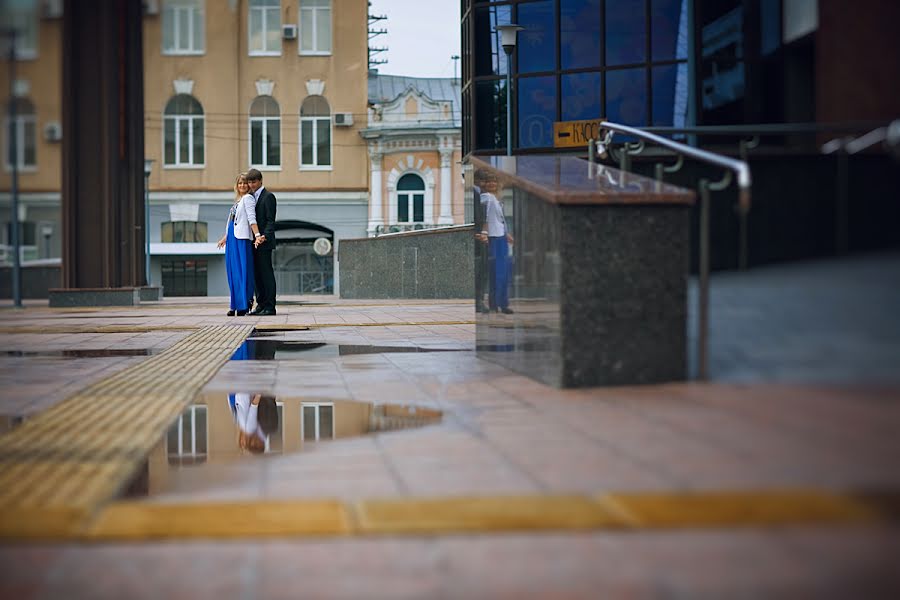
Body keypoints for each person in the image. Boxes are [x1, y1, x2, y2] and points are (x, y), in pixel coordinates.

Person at [216, 173, 260, 316]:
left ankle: (244, 304)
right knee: (233, 272)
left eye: (245, 183)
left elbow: (251, 218)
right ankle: (234, 304)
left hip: (241, 239)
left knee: (243, 271)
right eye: (240, 183)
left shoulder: (248, 199)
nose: (242, 185)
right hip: (232, 239)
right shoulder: (238, 200)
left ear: (248, 185)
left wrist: (257, 235)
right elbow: (233, 221)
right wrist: (225, 237)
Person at [479, 173, 514, 314]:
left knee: (501, 273)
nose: (492, 184)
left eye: (494, 181)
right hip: (493, 238)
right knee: (498, 273)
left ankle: (499, 303)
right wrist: (484, 233)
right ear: (485, 184)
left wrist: (507, 234)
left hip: (501, 237)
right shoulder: (487, 197)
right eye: (489, 182)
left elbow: (501, 220)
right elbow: (485, 217)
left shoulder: (497, 199)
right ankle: (498, 304)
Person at [245, 168, 278, 315]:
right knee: (257, 275)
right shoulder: (250, 197)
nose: (251, 185)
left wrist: (264, 236)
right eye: (249, 182)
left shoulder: (268, 197)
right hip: (254, 242)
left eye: (253, 182)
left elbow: (271, 221)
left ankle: (270, 307)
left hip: (264, 243)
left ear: (260, 181)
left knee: (266, 275)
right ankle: (260, 305)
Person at [472, 170, 490, 313]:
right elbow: (478, 218)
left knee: (481, 272)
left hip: (479, 238)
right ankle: (478, 302)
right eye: (484, 181)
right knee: (480, 272)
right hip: (478, 240)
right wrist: (479, 234)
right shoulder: (476, 194)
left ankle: (479, 302)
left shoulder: (479, 195)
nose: (486, 184)